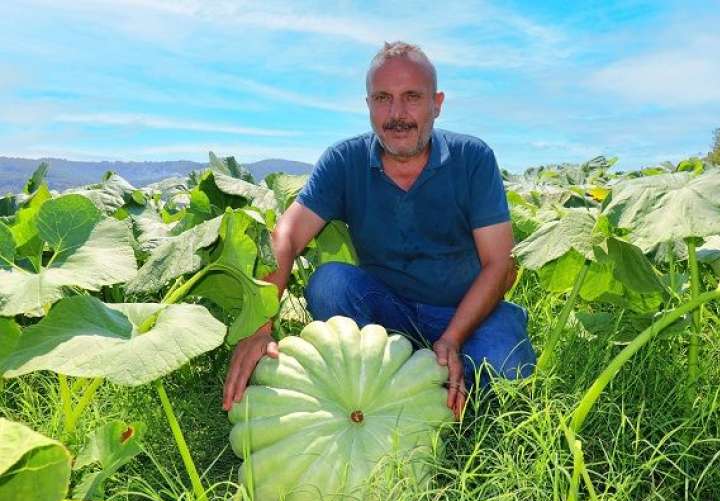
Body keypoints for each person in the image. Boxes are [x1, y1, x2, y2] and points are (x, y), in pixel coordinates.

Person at [223, 41, 536, 419]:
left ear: (436, 103)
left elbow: (499, 263)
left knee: (506, 367)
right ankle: (389, 378)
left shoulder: (473, 158)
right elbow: (286, 235)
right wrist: (259, 325)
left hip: (466, 312)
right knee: (330, 284)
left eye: (412, 98)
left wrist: (452, 338)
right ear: (368, 104)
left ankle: (442, 375)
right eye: (383, 98)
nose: (397, 114)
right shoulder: (344, 160)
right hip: (388, 315)